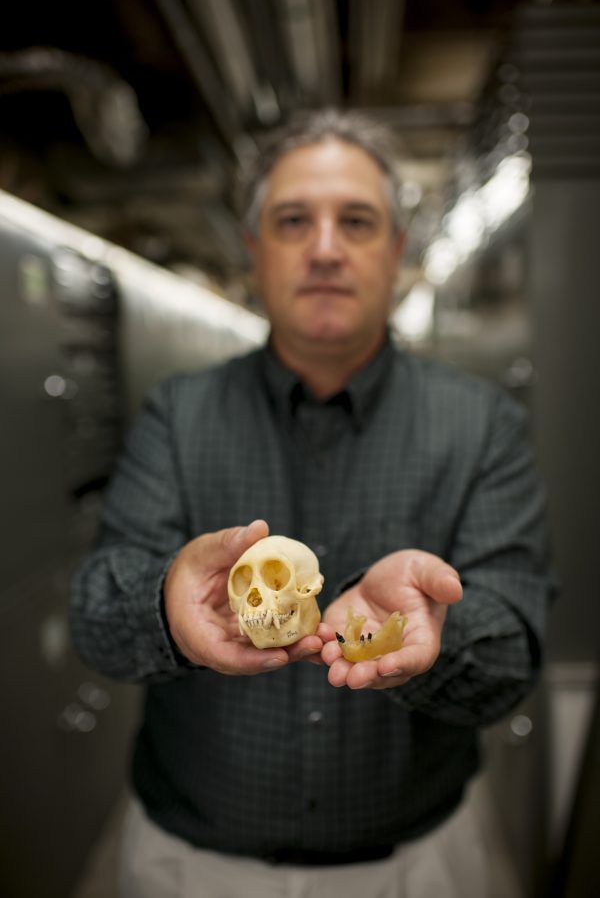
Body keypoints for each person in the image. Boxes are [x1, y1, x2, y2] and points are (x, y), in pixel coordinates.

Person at [70, 108, 554, 898]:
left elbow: (516, 652)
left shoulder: (484, 426)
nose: (325, 247)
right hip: (192, 865)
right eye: (294, 221)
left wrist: (432, 632)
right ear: (255, 250)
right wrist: (165, 604)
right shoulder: (177, 415)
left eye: (356, 221)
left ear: (397, 250)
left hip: (417, 866)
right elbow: (95, 610)